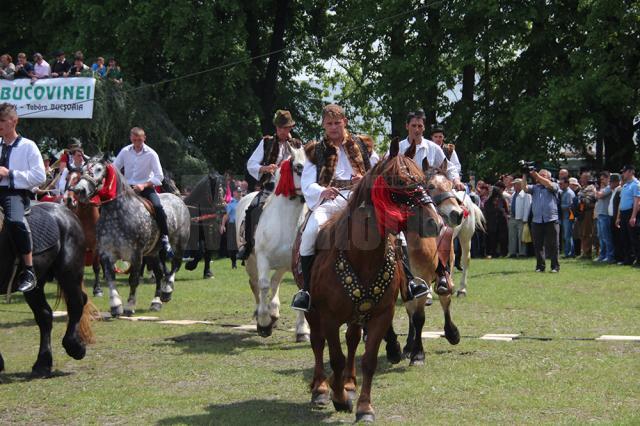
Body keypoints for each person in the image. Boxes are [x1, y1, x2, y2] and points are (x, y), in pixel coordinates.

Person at [291, 104, 376, 312]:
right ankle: (307, 291)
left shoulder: (363, 145)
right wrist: (322, 191)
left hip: (361, 199)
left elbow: (379, 172)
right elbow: (307, 184)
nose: (333, 127)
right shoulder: (315, 150)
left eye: (337, 123)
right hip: (330, 200)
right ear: (323, 125)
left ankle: (409, 281)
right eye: (329, 124)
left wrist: (365, 179)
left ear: (344, 122)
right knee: (310, 232)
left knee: (393, 230)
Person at [236, 110, 302, 260]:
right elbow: (251, 164)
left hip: (292, 187)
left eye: (286, 128)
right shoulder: (266, 142)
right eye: (280, 128)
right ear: (276, 128)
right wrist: (265, 168)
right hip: (271, 185)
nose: (283, 131)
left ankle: (304, 246)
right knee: (252, 208)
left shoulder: (298, 145)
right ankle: (247, 245)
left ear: (290, 128)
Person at [0, 103, 46, 292]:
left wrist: (10, 174)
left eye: (2, 120)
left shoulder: (29, 146)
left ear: (14, 121)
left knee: (15, 221)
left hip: (15, 193)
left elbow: (39, 177)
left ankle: (28, 270)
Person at [114, 127, 174, 257]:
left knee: (158, 206)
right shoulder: (125, 151)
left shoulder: (151, 154)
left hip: (146, 187)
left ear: (144, 138)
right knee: (109, 205)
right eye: (135, 140)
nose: (137, 143)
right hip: (127, 188)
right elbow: (114, 169)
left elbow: (159, 176)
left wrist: (143, 185)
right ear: (131, 138)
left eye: (139, 140)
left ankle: (165, 237)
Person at [522, 168, 561, 272]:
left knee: (554, 245)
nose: (540, 177)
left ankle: (555, 267)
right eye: (539, 175)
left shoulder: (553, 185)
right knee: (538, 245)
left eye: (543, 175)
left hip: (551, 219)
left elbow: (548, 184)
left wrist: (536, 175)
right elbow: (524, 188)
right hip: (537, 220)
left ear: (548, 177)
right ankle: (540, 266)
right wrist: (525, 175)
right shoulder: (535, 188)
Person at [615, 165, 640, 267]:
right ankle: (628, 259)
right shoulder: (625, 186)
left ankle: (638, 259)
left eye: (624, 172)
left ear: (630, 172)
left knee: (634, 237)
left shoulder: (636, 184)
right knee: (624, 237)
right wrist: (618, 217)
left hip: (631, 212)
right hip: (624, 213)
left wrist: (633, 216)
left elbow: (636, 202)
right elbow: (621, 202)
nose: (623, 174)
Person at [429, 126, 464, 190]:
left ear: (443, 137)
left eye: (440, 137)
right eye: (436, 137)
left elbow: (456, 166)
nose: (438, 139)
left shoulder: (449, 149)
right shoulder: (427, 149)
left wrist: (454, 179)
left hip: (448, 181)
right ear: (432, 137)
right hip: (430, 180)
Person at [484, 183, 509, 258]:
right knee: (492, 239)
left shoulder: (502, 199)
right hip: (491, 223)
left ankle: (503, 253)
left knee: (503, 238)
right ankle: (493, 253)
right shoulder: (488, 201)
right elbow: (486, 211)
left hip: (501, 222)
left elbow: (506, 209)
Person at [508, 178, 531, 257]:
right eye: (514, 184)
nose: (514, 186)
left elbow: (527, 207)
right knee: (512, 236)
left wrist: (525, 219)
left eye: (516, 184)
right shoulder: (514, 194)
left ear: (521, 185)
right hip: (512, 217)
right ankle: (512, 252)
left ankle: (522, 253)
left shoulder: (526, 194)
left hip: (521, 219)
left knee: (521, 237)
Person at [594, 171, 614, 262]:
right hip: (600, 215)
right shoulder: (604, 188)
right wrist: (598, 192)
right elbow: (596, 196)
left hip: (605, 215)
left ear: (608, 178)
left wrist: (598, 192)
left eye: (602, 179)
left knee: (606, 237)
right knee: (601, 237)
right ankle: (602, 255)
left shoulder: (609, 187)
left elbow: (599, 195)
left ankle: (609, 256)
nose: (601, 181)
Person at [220, 187, 241, 269]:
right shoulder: (231, 204)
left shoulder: (244, 202)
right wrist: (222, 225)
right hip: (233, 225)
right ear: (234, 193)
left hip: (242, 225)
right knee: (232, 244)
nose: (240, 193)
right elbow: (226, 216)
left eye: (240, 191)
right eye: (238, 191)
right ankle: (234, 263)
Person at [577, 172, 597, 259]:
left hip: (588, 212)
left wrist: (582, 199)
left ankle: (587, 252)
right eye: (581, 178)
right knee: (582, 233)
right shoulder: (582, 188)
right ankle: (584, 251)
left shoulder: (591, 188)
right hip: (582, 213)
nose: (581, 180)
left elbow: (588, 200)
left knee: (587, 232)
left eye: (583, 178)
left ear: (588, 179)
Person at [559, 178, 576, 258]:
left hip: (568, 217)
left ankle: (568, 253)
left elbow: (570, 206)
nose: (560, 185)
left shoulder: (569, 193)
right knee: (567, 236)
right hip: (564, 217)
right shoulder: (563, 192)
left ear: (566, 184)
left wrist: (559, 206)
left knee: (567, 236)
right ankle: (569, 252)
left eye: (561, 184)